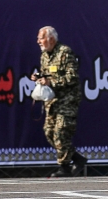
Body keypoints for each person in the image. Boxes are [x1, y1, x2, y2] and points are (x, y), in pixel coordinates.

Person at [32, 26, 87, 178]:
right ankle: (76, 158)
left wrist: (51, 82)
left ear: (51, 39)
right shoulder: (44, 55)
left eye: (41, 38)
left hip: (68, 99)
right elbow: (45, 72)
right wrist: (38, 76)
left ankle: (64, 167)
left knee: (61, 131)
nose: (38, 41)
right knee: (49, 132)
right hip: (52, 100)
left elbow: (72, 77)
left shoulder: (65, 52)